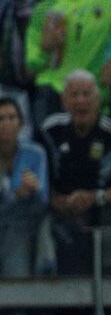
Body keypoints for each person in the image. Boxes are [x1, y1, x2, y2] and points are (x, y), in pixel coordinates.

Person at [42, 70, 111, 275]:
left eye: (87, 95)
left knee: (108, 277)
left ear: (98, 99)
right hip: (60, 215)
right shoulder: (49, 130)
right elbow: (42, 176)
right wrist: (56, 200)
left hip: (103, 215)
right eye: (74, 95)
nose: (81, 101)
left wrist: (94, 198)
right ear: (64, 100)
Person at [0, 96, 48, 278]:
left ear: (21, 123)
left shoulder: (35, 153)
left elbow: (43, 201)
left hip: (20, 229)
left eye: (11, 117)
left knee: (16, 277)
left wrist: (32, 190)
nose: (6, 123)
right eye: (1, 118)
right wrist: (15, 194)